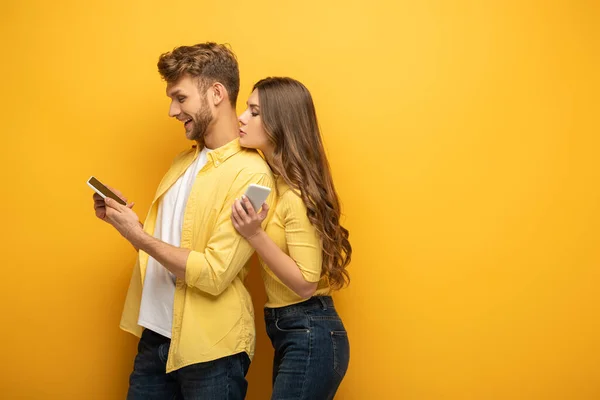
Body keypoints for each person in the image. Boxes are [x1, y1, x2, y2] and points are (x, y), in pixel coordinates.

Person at [92, 42, 275, 399]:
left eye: (181, 98)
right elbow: (167, 246)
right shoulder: (181, 163)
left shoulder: (253, 176)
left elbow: (215, 274)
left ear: (217, 93)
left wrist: (140, 237)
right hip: (155, 340)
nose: (172, 110)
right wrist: (127, 225)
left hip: (211, 351)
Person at [233, 77, 352, 399]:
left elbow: (305, 283)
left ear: (279, 123)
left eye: (254, 111)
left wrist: (254, 234)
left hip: (309, 329)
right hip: (292, 330)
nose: (241, 117)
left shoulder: (295, 197)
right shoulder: (275, 185)